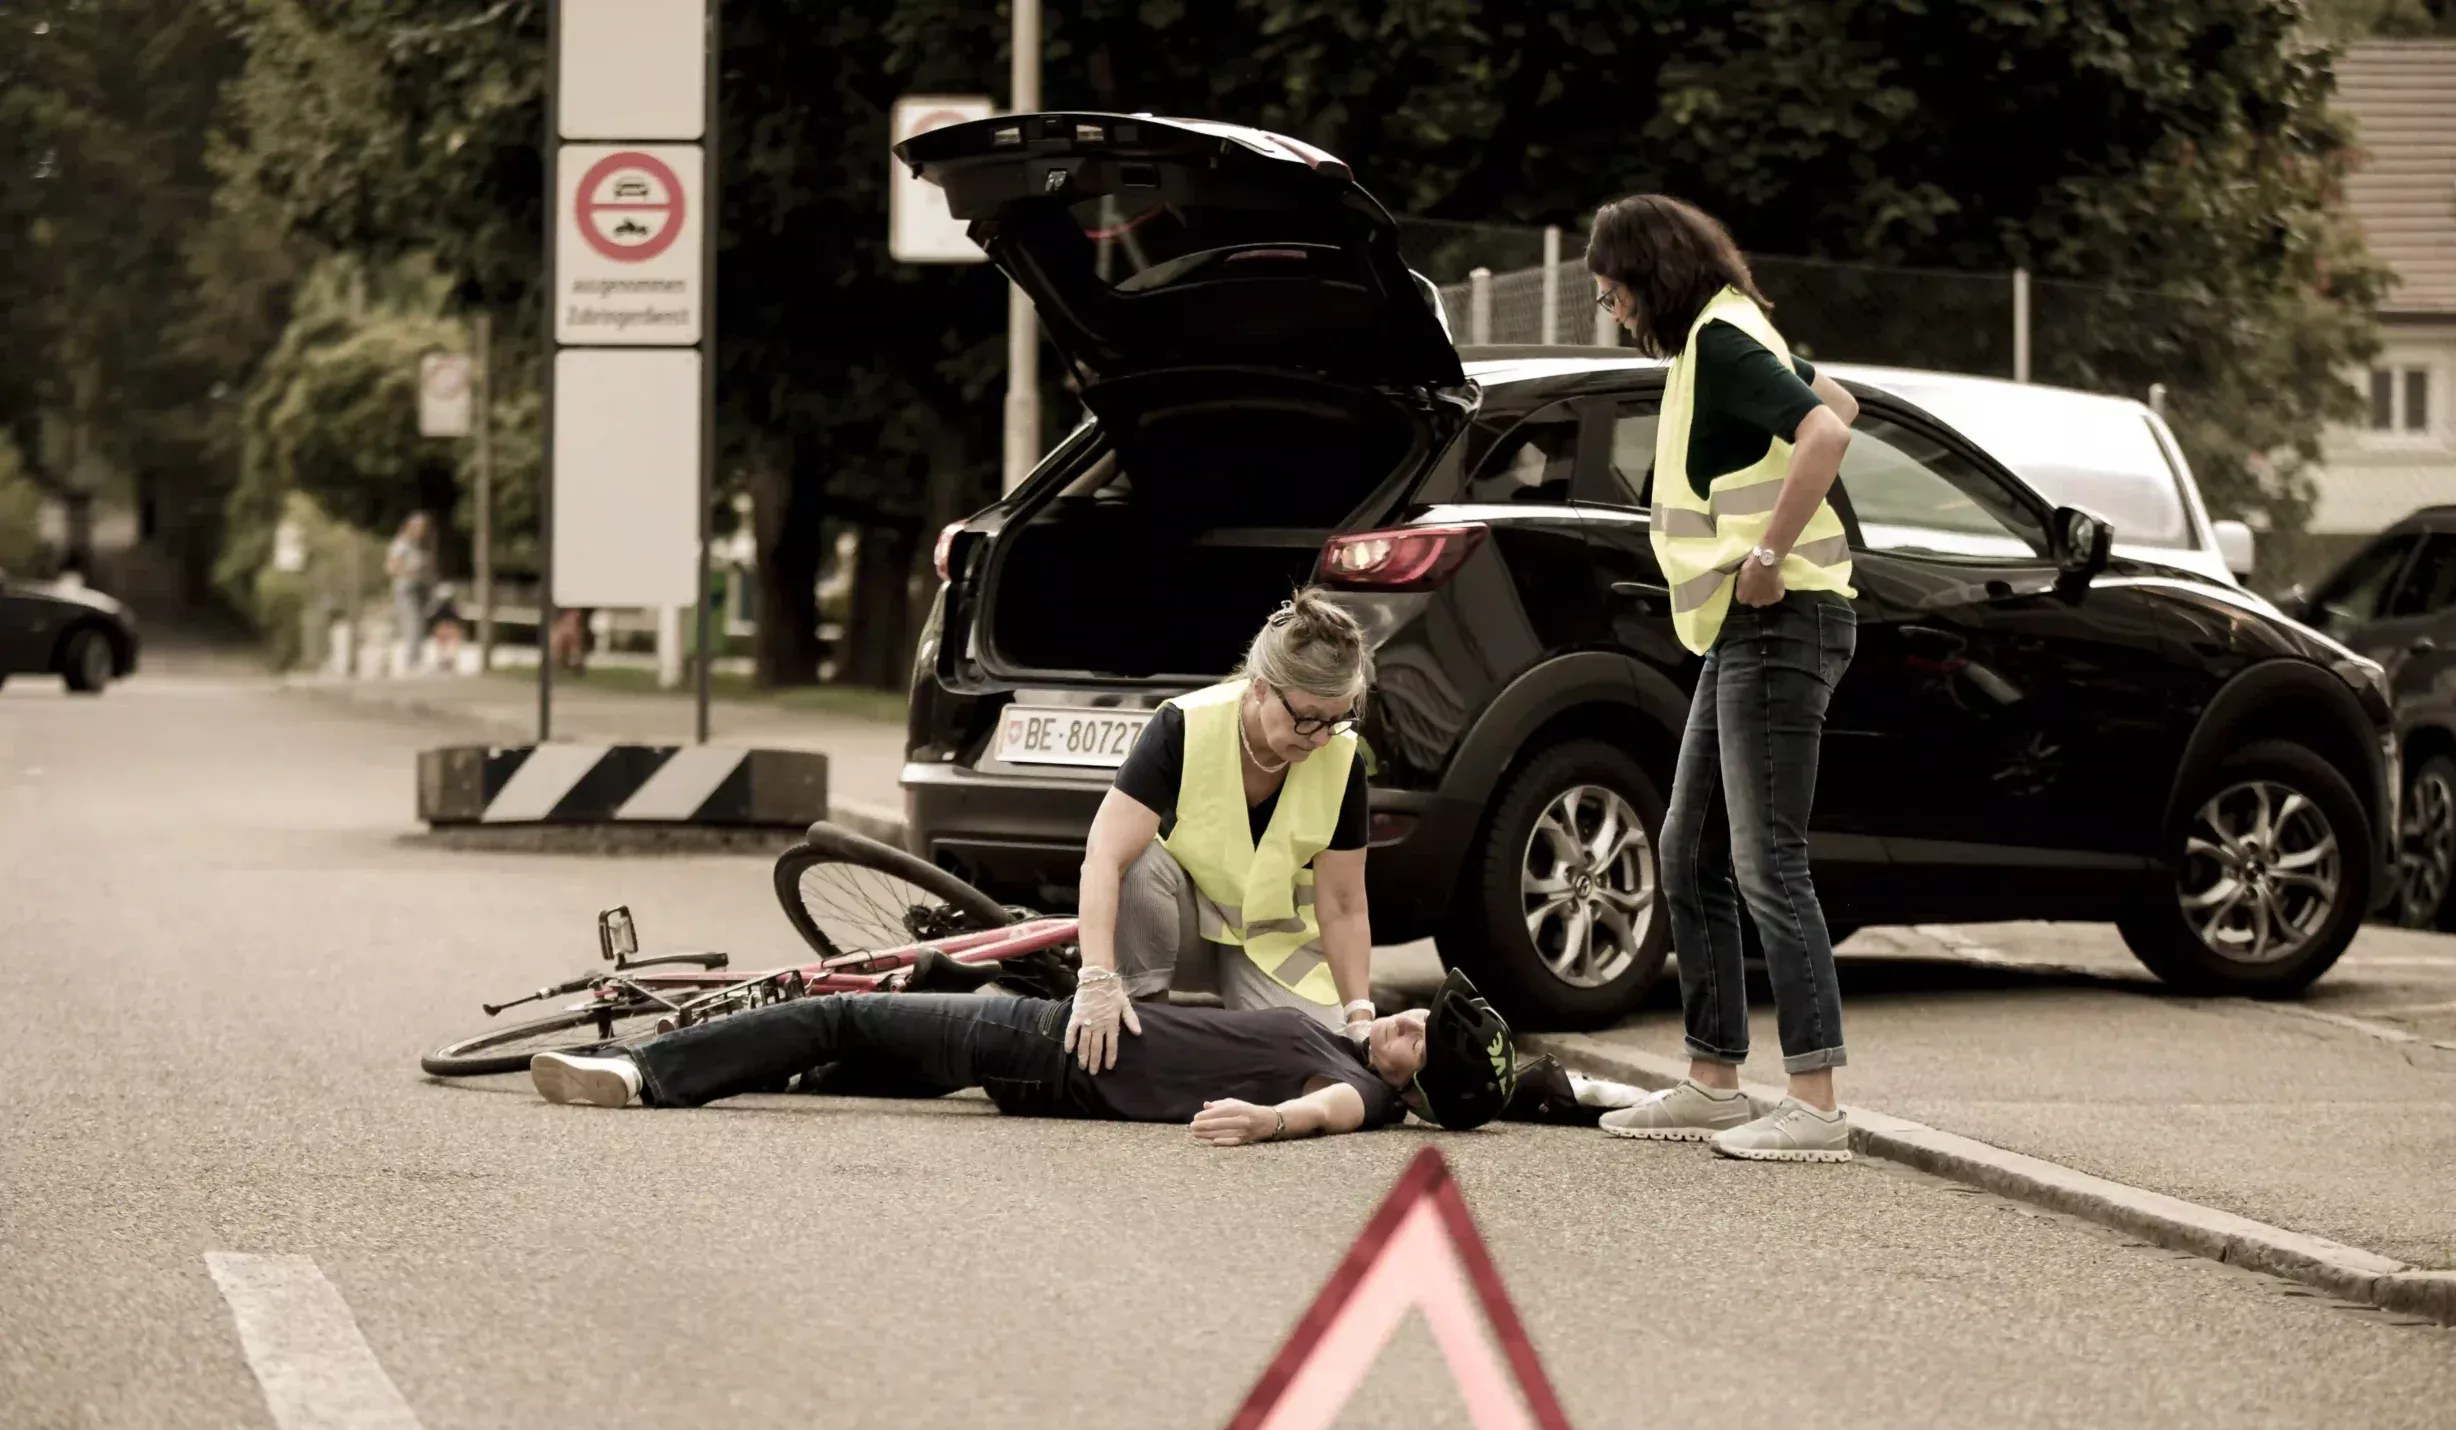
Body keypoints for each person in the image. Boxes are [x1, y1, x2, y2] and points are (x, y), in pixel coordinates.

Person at [1583, 195, 1863, 1162]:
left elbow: (1829, 433)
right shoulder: (1731, 333)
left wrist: (1770, 551)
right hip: (1743, 632)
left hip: (1782, 622)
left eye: (1615, 291)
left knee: (1766, 861)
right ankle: (1714, 1080)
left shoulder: (1722, 342)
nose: (1613, 309)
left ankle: (1817, 1104)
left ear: (1650, 276)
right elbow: (1845, 402)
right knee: (1688, 849)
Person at [524, 967, 1521, 1142]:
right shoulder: (1348, 1045)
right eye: (1418, 1014)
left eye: (1419, 1039)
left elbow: (1323, 1115)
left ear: (1418, 1091)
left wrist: (1269, 1121)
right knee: (875, 1037)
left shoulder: (1354, 1091)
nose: (1404, 1021)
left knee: (836, 1015)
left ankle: (644, 1073)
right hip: (1044, 1058)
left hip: (1042, 1044)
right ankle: (759, 1061)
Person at [1064, 589, 1379, 1076]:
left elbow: (1342, 904)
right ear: (1259, 687)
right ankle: (1143, 1015)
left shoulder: (1342, 761)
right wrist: (1097, 980)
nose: (1319, 738)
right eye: (1307, 718)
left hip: (1273, 946)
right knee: (1140, 859)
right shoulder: (1183, 727)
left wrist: (1359, 1015)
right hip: (1180, 929)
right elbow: (1104, 858)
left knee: (1323, 1067)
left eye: (1335, 720)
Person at [384, 513, 433, 675]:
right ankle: (412, 662)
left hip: (417, 588)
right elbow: (392, 567)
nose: (422, 531)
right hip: (405, 589)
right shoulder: (401, 544)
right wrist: (410, 571)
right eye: (419, 528)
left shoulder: (414, 545)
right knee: (412, 623)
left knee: (418, 623)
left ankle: (416, 660)